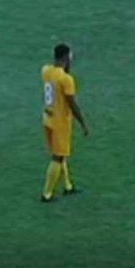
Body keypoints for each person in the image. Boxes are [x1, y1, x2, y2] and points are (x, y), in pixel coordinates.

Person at [40, 43, 90, 202]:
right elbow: (72, 104)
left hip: (47, 117)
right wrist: (83, 122)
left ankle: (67, 186)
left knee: (60, 153)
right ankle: (47, 194)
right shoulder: (66, 79)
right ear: (65, 58)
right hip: (60, 122)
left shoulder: (46, 70)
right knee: (58, 156)